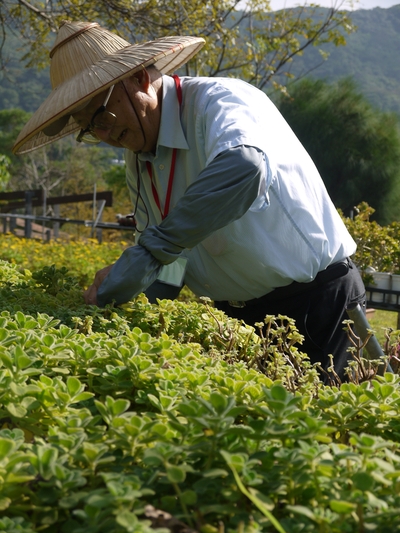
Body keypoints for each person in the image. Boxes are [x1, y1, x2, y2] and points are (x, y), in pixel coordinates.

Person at [13, 20, 366, 380]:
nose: (103, 134)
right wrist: (130, 293)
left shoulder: (220, 103)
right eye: (89, 128)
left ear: (139, 78)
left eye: (101, 114)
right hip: (237, 319)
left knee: (320, 427)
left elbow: (245, 167)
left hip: (318, 305)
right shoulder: (138, 154)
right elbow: (170, 255)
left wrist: (151, 251)